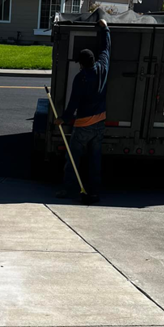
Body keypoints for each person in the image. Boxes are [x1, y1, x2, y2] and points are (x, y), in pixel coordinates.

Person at [56, 18, 111, 204]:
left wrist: (62, 119)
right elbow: (106, 49)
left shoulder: (81, 78)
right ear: (93, 60)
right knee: (95, 160)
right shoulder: (103, 67)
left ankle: (69, 189)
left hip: (82, 126)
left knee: (73, 158)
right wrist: (106, 29)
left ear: (81, 63)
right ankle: (94, 191)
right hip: (100, 124)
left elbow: (73, 103)